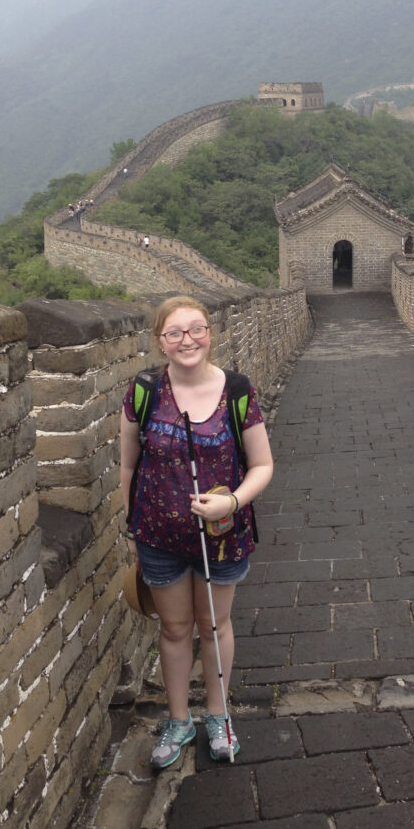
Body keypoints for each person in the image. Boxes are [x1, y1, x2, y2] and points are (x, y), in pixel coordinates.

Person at [120, 295, 273, 770]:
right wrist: (130, 526)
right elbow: (128, 466)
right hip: (158, 535)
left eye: (197, 329)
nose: (187, 339)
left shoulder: (238, 391)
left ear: (211, 333)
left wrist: (231, 501)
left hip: (222, 537)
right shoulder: (142, 393)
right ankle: (179, 718)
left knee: (213, 626)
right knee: (174, 628)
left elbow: (263, 465)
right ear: (160, 342)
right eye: (174, 332)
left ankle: (217, 714)